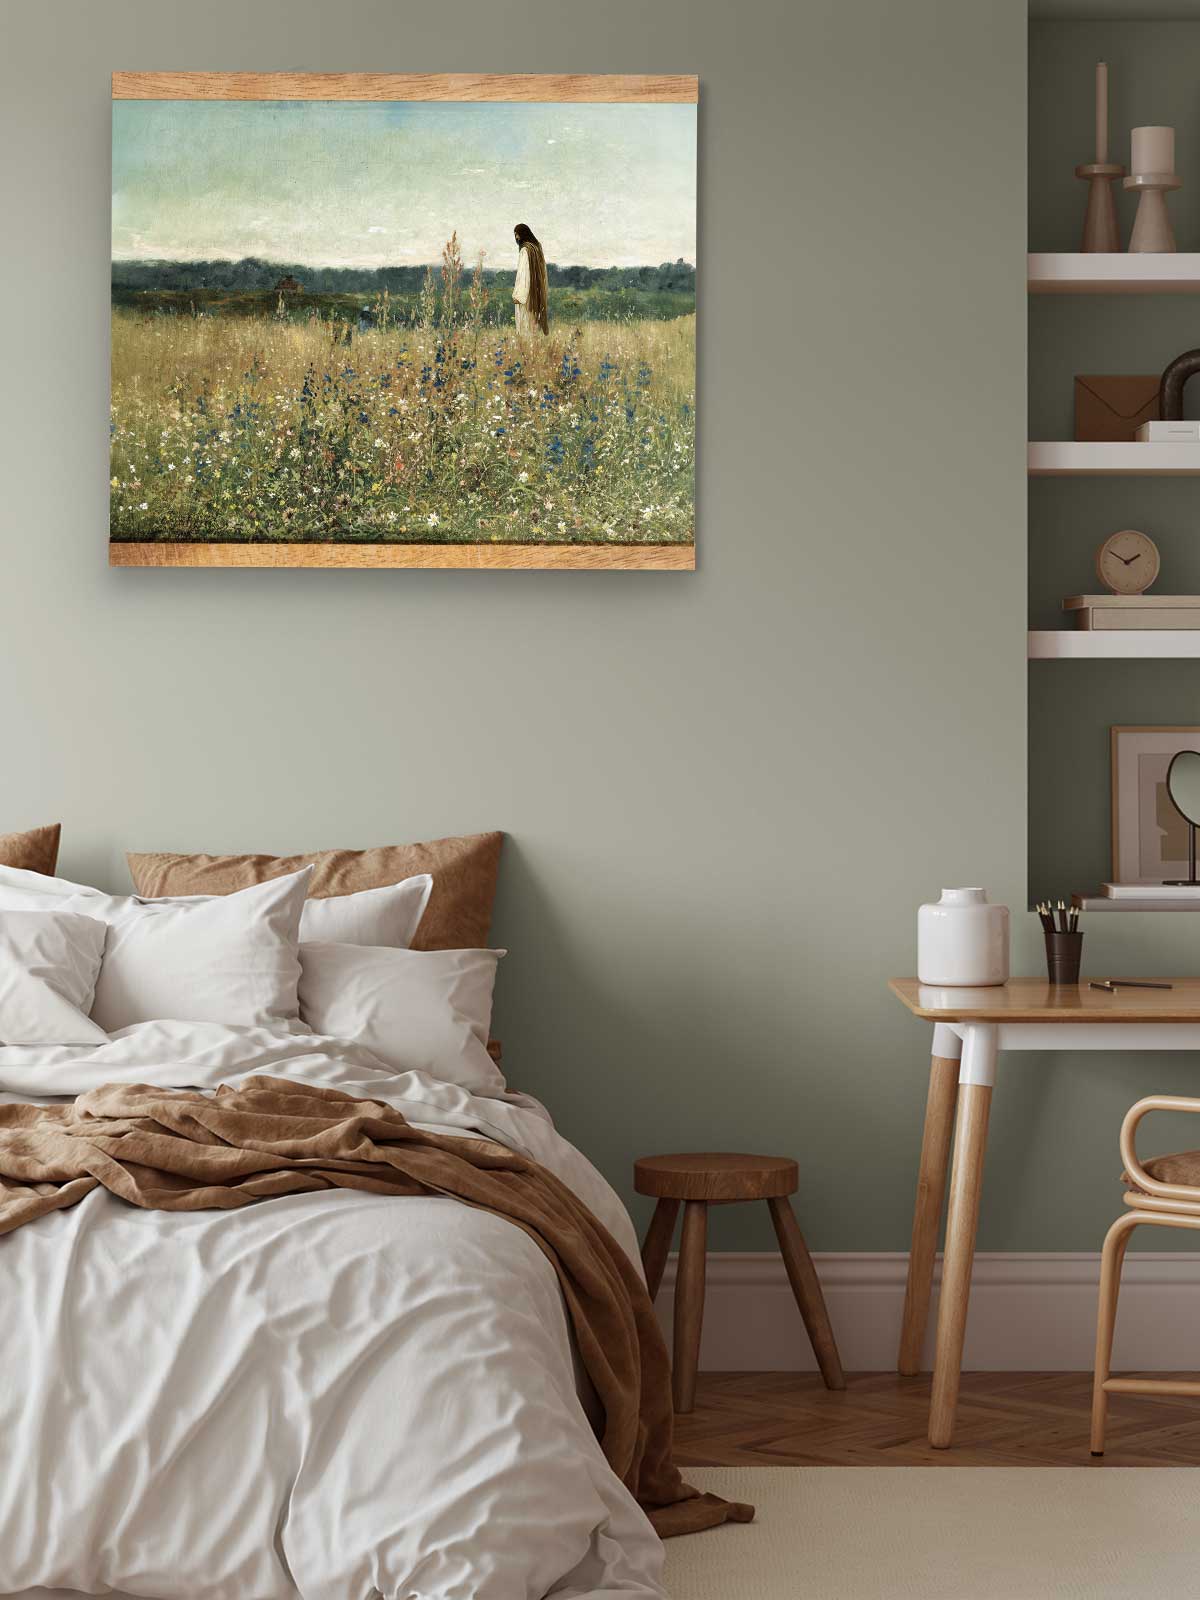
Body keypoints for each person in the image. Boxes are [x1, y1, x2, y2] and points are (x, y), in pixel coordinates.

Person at [512, 223, 549, 336]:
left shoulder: (525, 250)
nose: (517, 238)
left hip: (526, 297)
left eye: (517, 234)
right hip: (536, 295)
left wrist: (519, 296)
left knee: (525, 329)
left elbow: (524, 275)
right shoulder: (537, 248)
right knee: (533, 328)